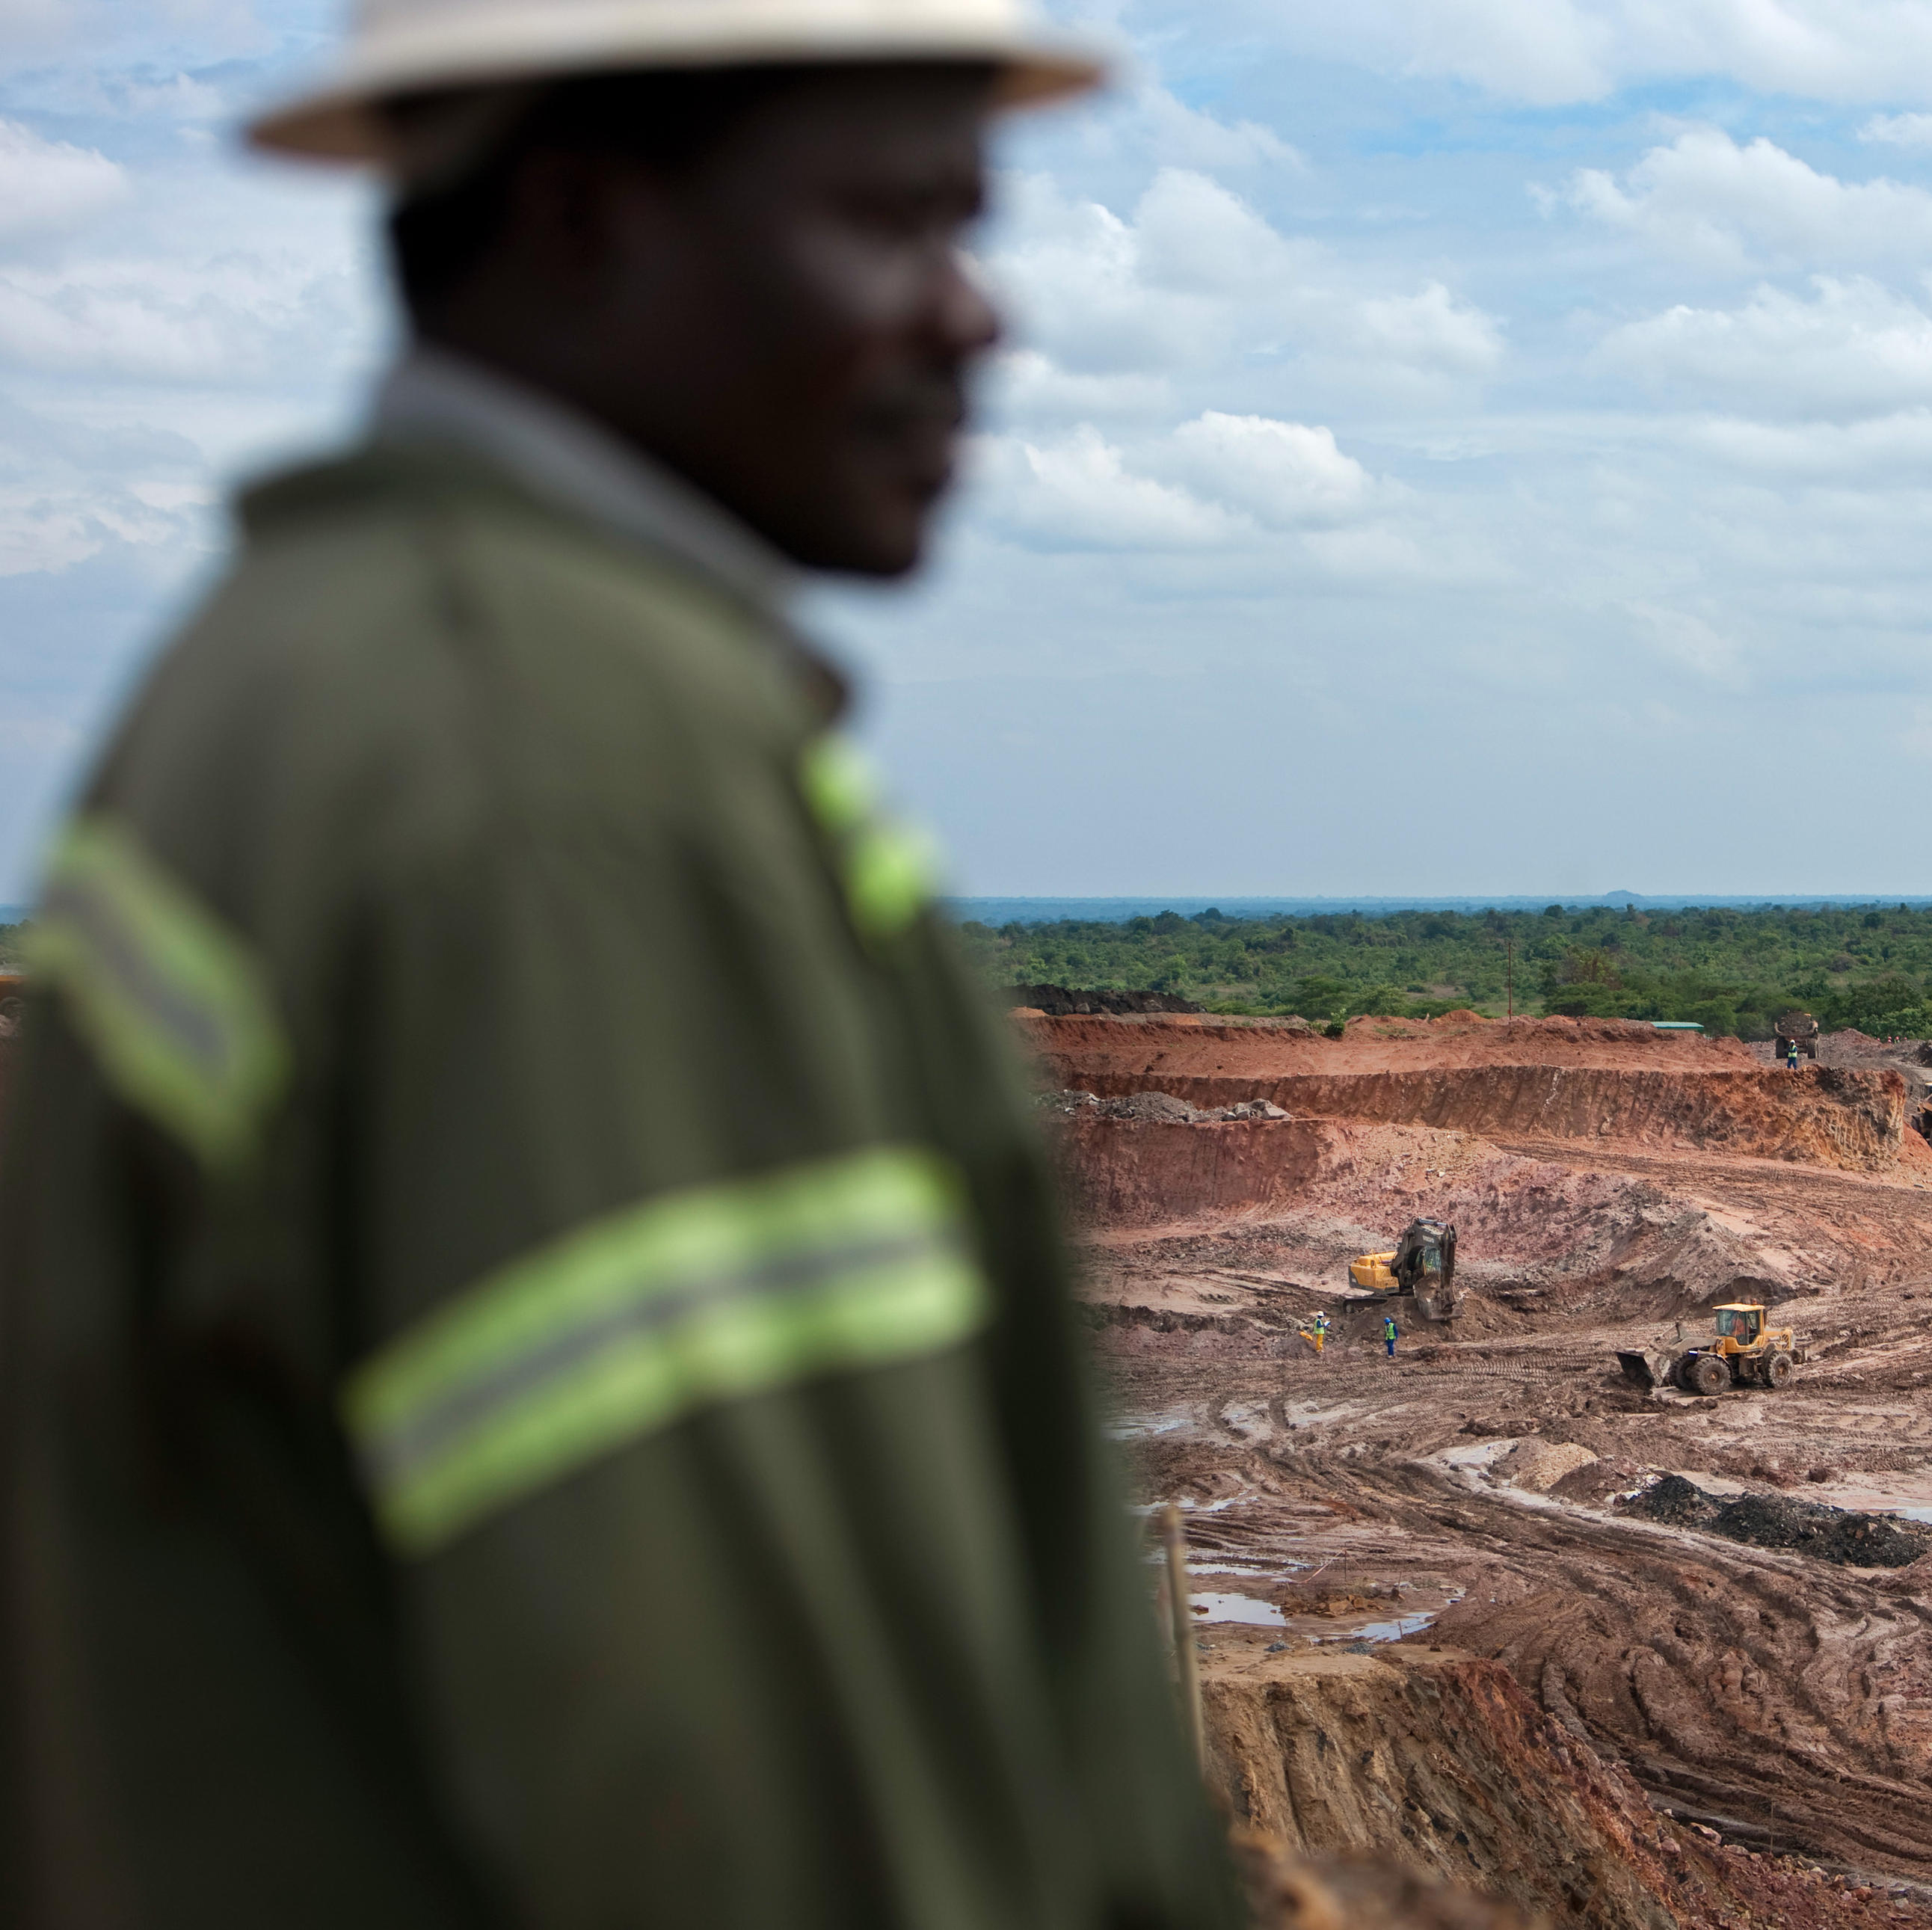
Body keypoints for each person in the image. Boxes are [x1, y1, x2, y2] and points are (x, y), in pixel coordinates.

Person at [0, 4, 1244, 1926]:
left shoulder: (316, 684)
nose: (974, 317)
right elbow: (749, 1805)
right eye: (894, 221)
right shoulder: (558, 790)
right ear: (583, 216)